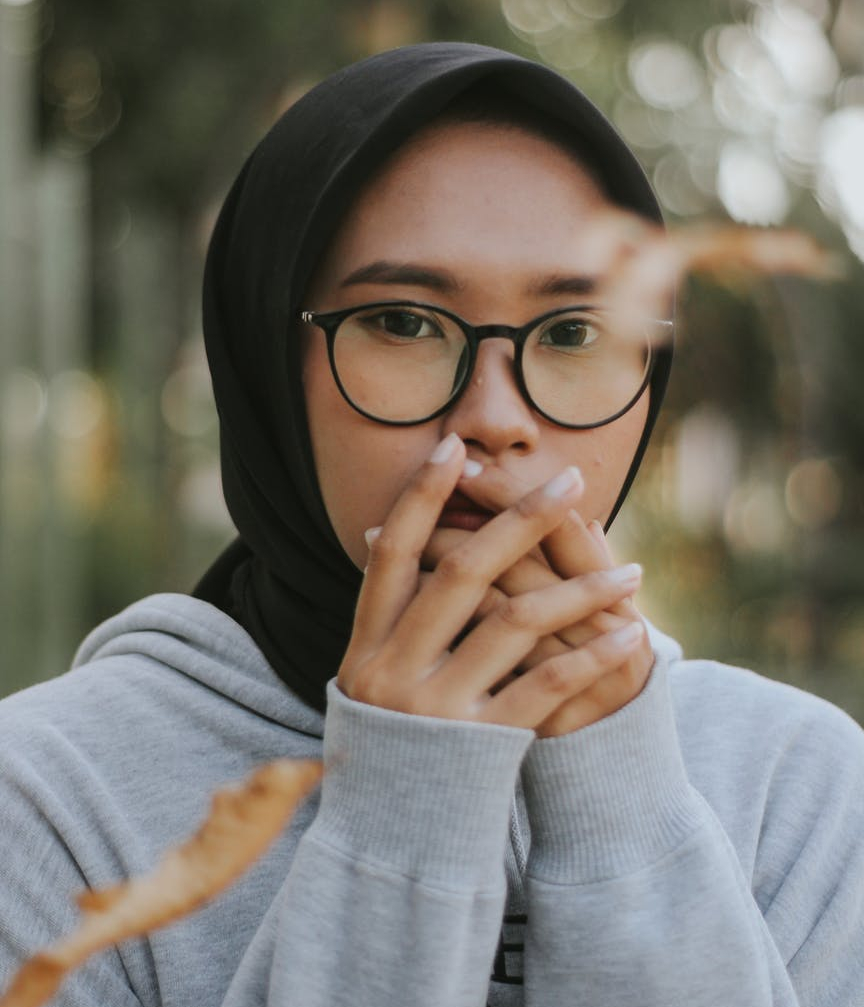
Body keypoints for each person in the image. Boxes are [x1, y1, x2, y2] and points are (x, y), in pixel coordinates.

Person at [1, 41, 863, 1007]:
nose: (497, 416)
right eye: (405, 321)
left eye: (574, 331)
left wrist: (621, 803)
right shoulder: (50, 799)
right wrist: (405, 815)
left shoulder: (794, 786)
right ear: (265, 361)